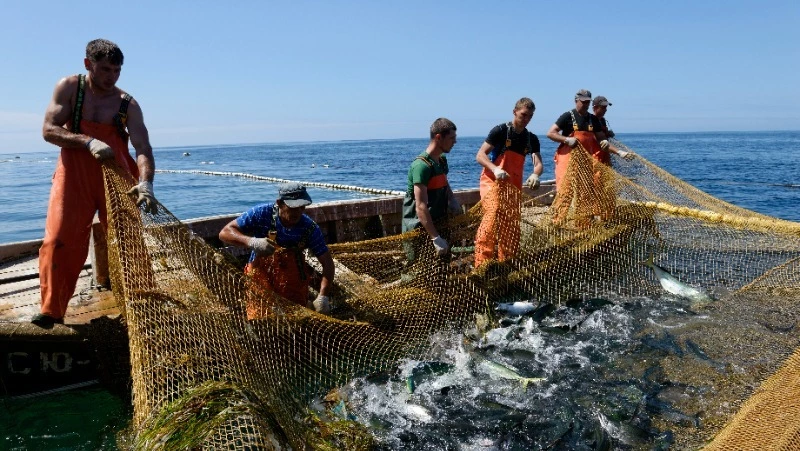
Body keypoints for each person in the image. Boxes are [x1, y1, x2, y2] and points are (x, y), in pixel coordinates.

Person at [33, 39, 158, 328]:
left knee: (130, 243)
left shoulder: (127, 103)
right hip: (73, 173)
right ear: (88, 64)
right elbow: (48, 130)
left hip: (117, 176)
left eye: (116, 70)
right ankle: (51, 310)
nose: (111, 76)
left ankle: (142, 305)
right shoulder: (69, 87)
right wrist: (87, 141)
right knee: (58, 239)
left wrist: (146, 183)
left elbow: (142, 148)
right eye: (105, 69)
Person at [219, 183, 335, 318]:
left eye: (302, 207)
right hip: (260, 273)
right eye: (293, 207)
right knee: (260, 315)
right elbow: (225, 232)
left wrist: (323, 297)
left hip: (292, 277)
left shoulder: (309, 228)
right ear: (280, 203)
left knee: (296, 316)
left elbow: (328, 263)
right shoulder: (261, 213)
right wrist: (252, 242)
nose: (298, 212)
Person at [474, 97, 543, 268]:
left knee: (511, 227)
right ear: (515, 112)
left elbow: (539, 163)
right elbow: (480, 155)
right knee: (492, 218)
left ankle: (507, 264)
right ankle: (482, 266)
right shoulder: (500, 131)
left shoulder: (531, 139)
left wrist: (536, 174)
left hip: (513, 187)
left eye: (530, 117)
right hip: (492, 183)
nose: (526, 119)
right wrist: (495, 169)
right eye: (523, 115)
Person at [401, 118, 460, 260]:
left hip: (439, 223)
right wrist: (435, 238)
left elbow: (444, 182)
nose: (455, 142)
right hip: (420, 230)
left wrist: (452, 199)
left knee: (441, 269)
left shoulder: (441, 160)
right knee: (417, 272)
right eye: (452, 138)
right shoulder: (421, 166)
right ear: (438, 137)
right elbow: (420, 207)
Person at [591, 95, 634, 160]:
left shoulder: (602, 120)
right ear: (595, 108)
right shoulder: (590, 120)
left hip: (605, 156)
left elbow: (603, 137)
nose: (605, 110)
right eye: (603, 107)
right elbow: (600, 141)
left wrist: (607, 134)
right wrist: (619, 152)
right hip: (594, 157)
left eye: (606, 107)